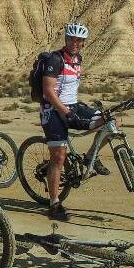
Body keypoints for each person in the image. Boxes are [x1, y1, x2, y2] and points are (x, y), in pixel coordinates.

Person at [40, 22, 109, 222]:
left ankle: (91, 156)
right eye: (72, 39)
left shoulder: (78, 59)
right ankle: (54, 203)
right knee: (59, 156)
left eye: (79, 40)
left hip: (73, 106)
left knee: (111, 121)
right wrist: (65, 111)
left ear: (84, 42)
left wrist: (73, 110)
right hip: (52, 110)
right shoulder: (55, 59)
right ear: (66, 39)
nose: (75, 43)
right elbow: (48, 91)